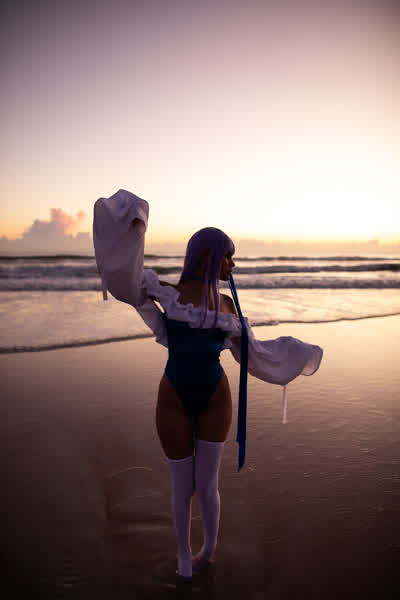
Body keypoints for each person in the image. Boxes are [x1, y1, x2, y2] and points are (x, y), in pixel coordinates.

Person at [93, 189, 323, 581]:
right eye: (227, 256)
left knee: (206, 484)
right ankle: (184, 557)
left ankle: (209, 549)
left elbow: (253, 354)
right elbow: (126, 283)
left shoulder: (229, 307)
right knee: (181, 486)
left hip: (216, 399)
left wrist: (295, 354)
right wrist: (132, 227)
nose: (232, 263)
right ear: (207, 256)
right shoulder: (168, 294)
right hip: (173, 398)